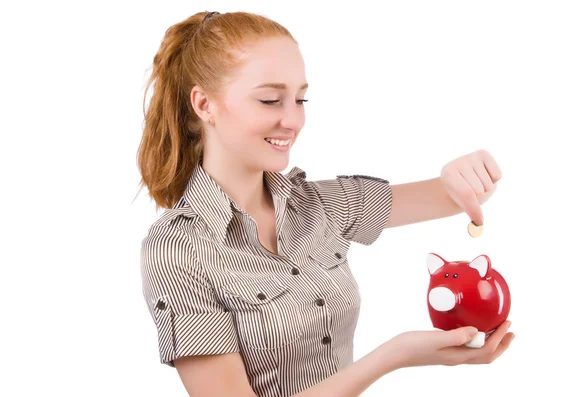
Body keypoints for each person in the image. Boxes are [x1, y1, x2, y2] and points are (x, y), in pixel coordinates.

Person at [136, 10, 515, 397]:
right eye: (270, 100)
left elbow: (448, 197)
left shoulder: (318, 204)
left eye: (300, 99)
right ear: (204, 105)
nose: (293, 120)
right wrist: (395, 355)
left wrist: (466, 176)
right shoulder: (178, 250)